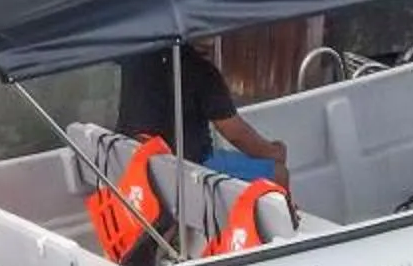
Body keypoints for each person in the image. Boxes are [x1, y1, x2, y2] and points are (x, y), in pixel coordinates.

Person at [117, 43, 289, 191]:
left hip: (136, 161)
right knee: (279, 173)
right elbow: (236, 134)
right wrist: (272, 152)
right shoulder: (199, 70)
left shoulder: (136, 59)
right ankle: (289, 228)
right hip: (189, 167)